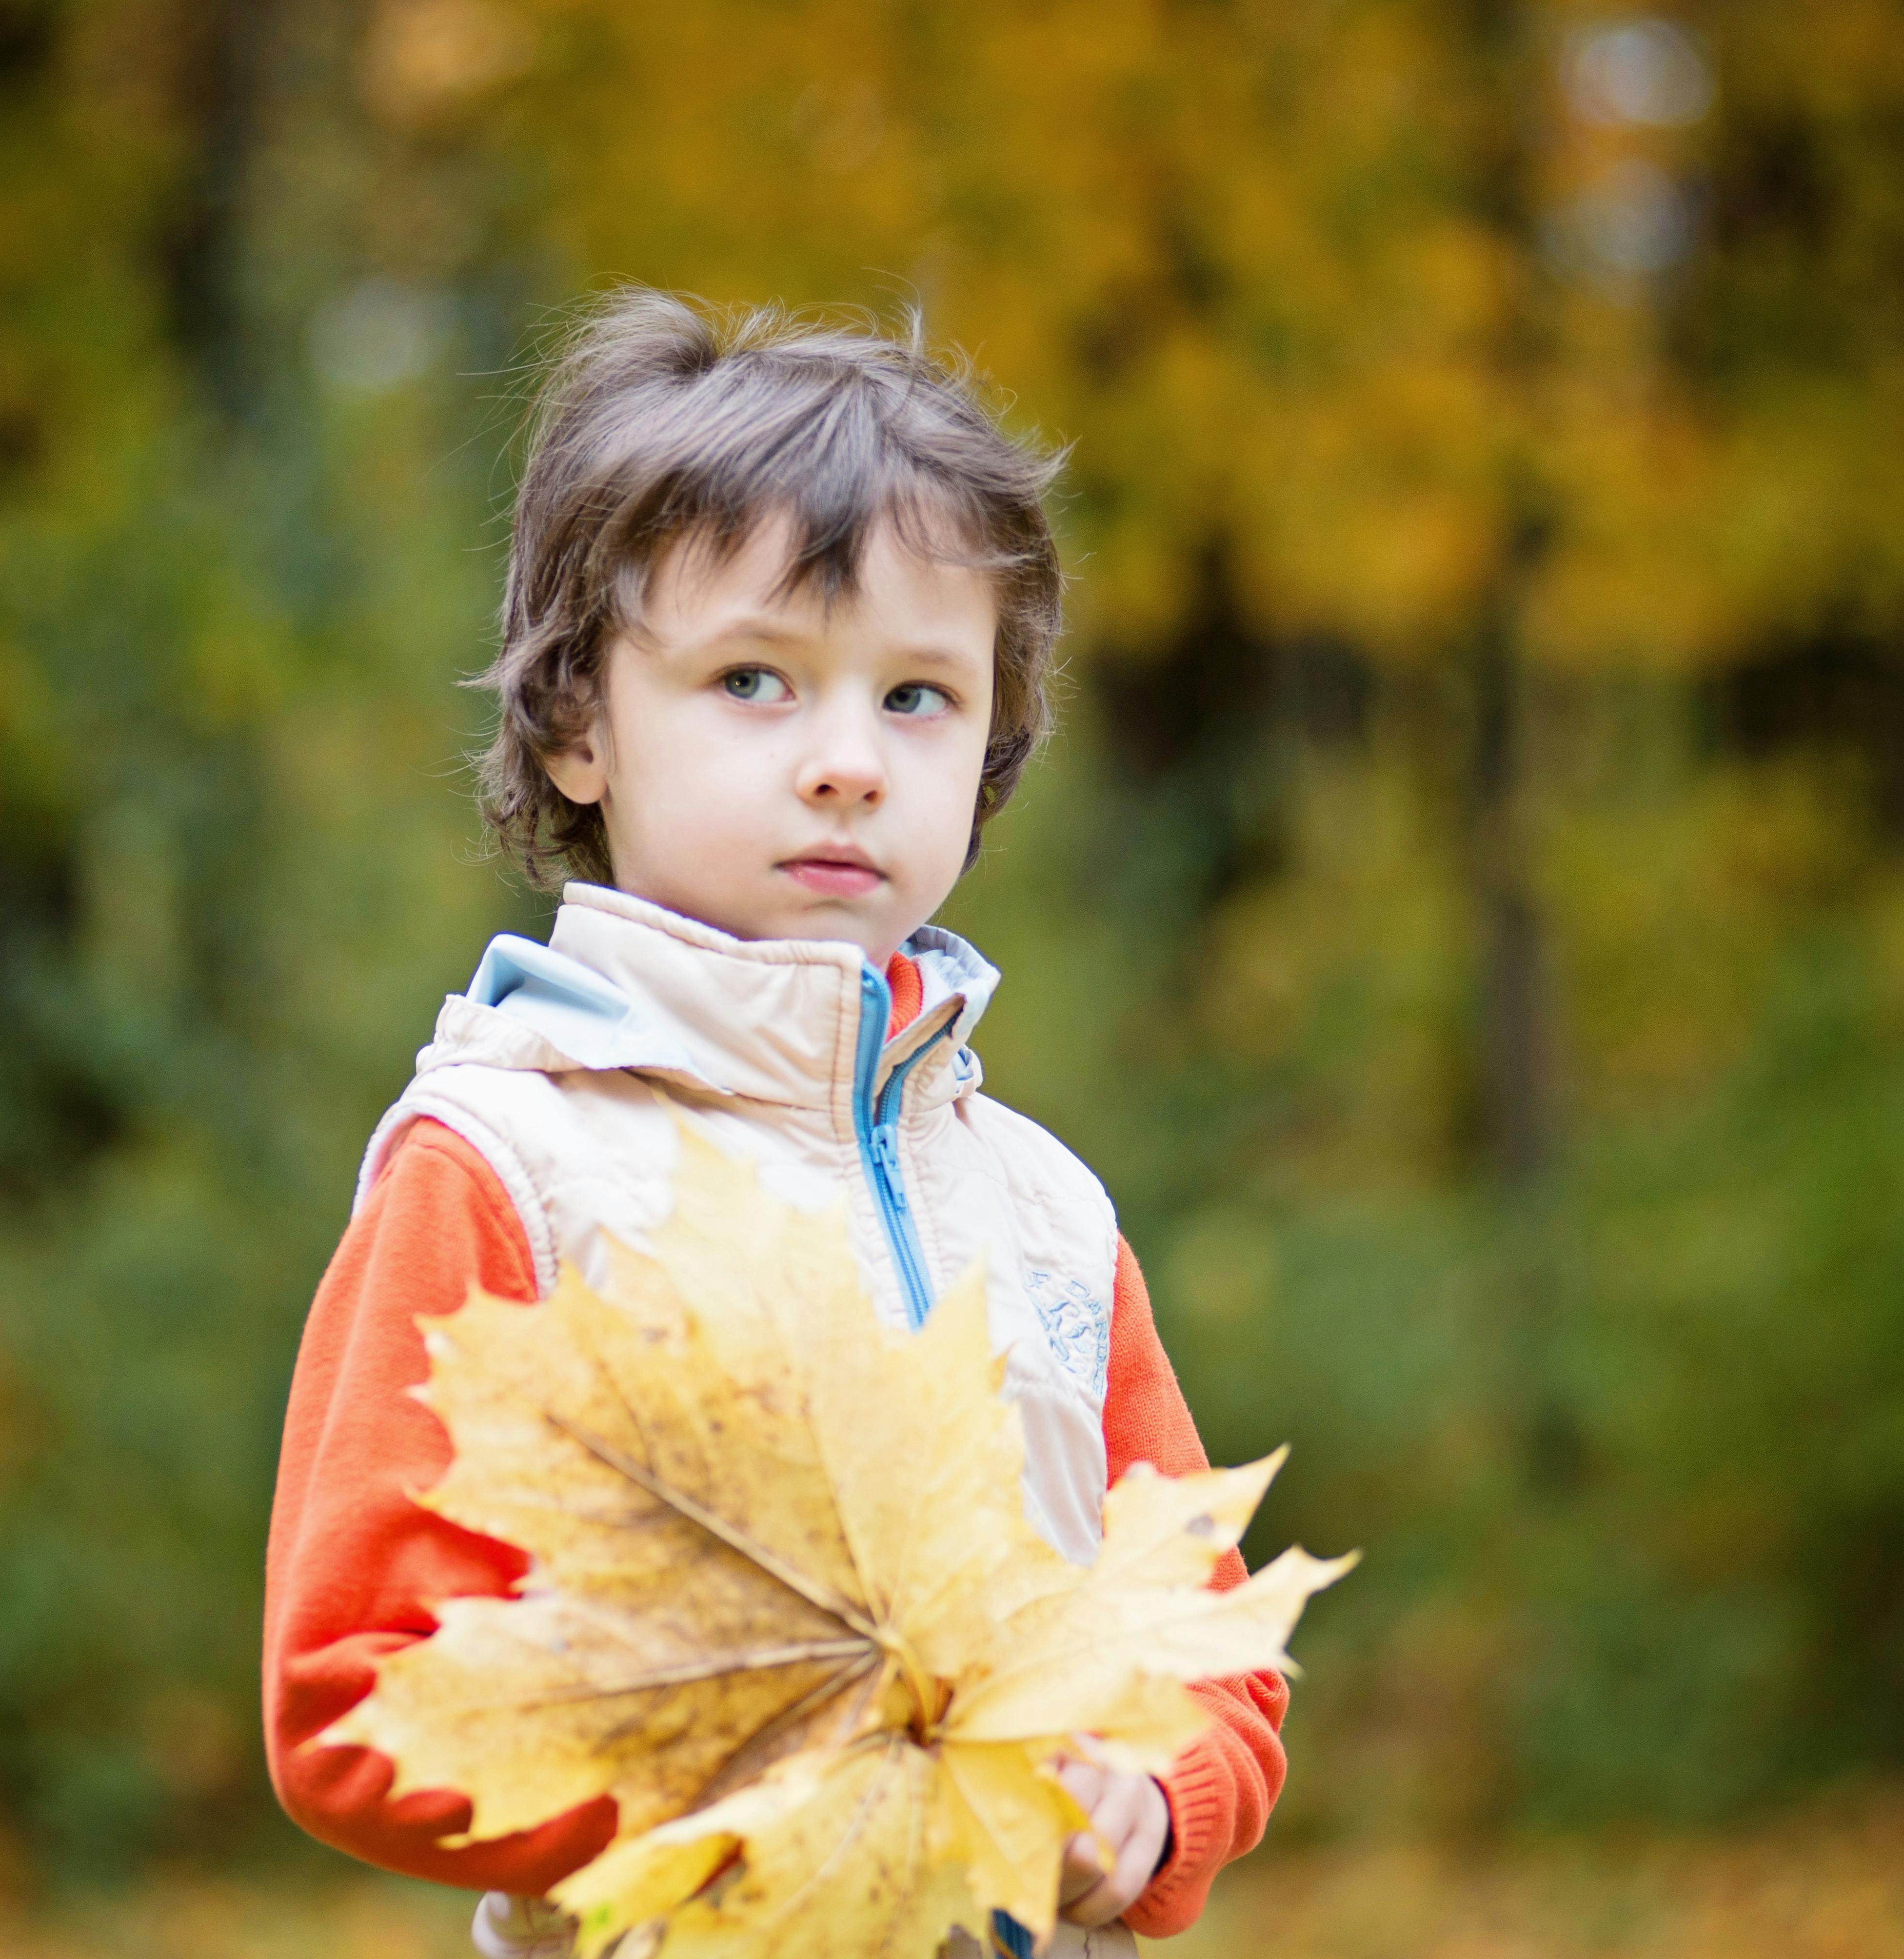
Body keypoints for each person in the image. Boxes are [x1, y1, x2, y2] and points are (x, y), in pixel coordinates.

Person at [262, 290, 1289, 1958]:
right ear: (580, 726)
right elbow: (356, 1688)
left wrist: (1157, 1789)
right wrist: (748, 1773)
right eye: (755, 679)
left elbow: (1203, 1637)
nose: (846, 763)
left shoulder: (1042, 1214)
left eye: (916, 698)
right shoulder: (512, 1166)